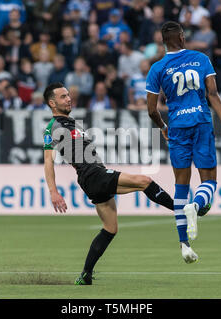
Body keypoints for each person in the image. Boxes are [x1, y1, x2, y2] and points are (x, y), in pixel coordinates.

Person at [42, 82, 175, 285]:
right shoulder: (54, 127)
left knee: (110, 228)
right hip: (93, 175)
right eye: (63, 97)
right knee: (144, 181)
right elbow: (48, 160)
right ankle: (181, 210)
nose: (68, 98)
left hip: (92, 177)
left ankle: (85, 274)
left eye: (68, 95)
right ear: (52, 103)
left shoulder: (70, 123)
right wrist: (53, 191)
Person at [146, 21, 221, 263]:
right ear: (183, 38)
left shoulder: (157, 68)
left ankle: (184, 245)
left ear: (164, 42)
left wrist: (163, 128)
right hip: (201, 123)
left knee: (181, 186)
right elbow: (213, 94)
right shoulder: (200, 58)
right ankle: (196, 207)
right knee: (209, 181)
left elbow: (151, 110)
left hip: (177, 127)